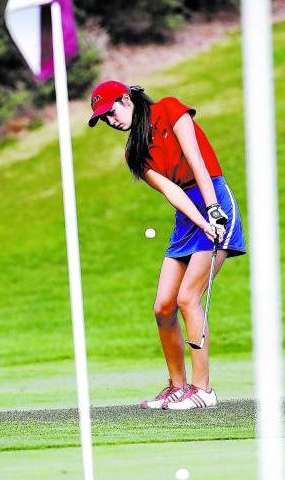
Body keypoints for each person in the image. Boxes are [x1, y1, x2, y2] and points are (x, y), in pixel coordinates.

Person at [88, 80, 246, 410]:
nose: (111, 120)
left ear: (127, 97)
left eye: (112, 110)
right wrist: (200, 221)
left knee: (188, 296)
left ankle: (203, 391)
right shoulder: (134, 152)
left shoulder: (170, 109)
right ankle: (178, 386)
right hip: (188, 216)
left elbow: (197, 160)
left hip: (213, 196)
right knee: (163, 306)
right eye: (104, 118)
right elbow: (172, 192)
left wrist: (212, 209)